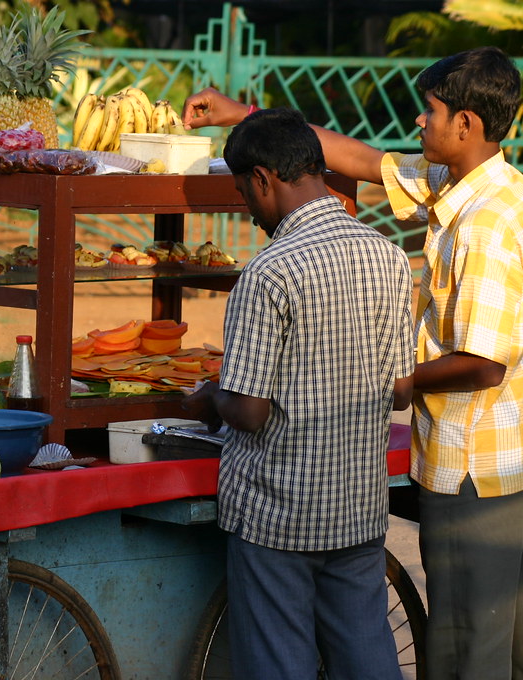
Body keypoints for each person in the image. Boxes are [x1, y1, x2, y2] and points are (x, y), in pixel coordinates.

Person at [182, 46, 523, 680]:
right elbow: (362, 161)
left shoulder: (489, 220)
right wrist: (247, 118)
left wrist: (388, 379)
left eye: (430, 111)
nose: (418, 122)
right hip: (387, 488)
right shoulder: (447, 196)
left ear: (467, 125)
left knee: (468, 652)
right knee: (406, 646)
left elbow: (483, 362)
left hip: (476, 466)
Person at [177, 106, 416, 679]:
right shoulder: (387, 255)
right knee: (366, 656)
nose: (249, 211)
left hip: (277, 515)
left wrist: (211, 398)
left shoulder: (270, 273)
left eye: (243, 194)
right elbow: (402, 389)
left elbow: (251, 412)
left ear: (263, 180)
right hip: (357, 508)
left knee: (278, 663)